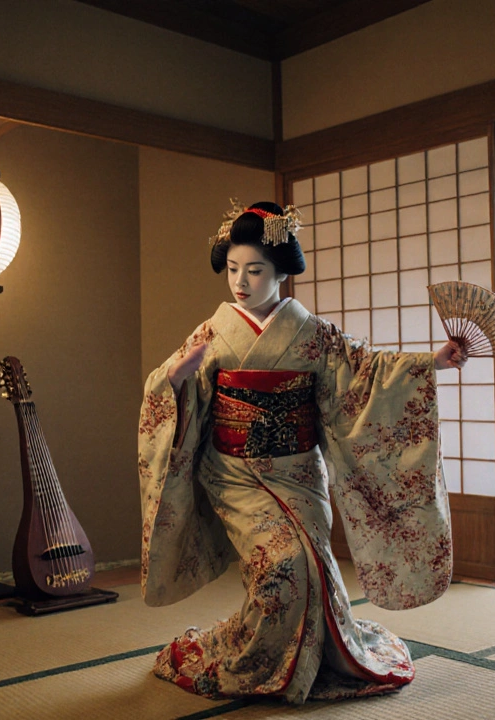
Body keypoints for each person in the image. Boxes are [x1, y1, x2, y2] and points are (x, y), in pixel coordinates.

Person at [138, 200, 467, 703]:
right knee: (283, 563)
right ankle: (260, 657)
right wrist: (175, 379)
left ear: (282, 272)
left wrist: (433, 362)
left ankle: (314, 657)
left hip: (298, 472)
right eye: (232, 269)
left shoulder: (313, 333)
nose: (240, 281)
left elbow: (368, 371)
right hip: (236, 476)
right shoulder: (213, 332)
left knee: (315, 567)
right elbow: (165, 389)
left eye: (254, 270)